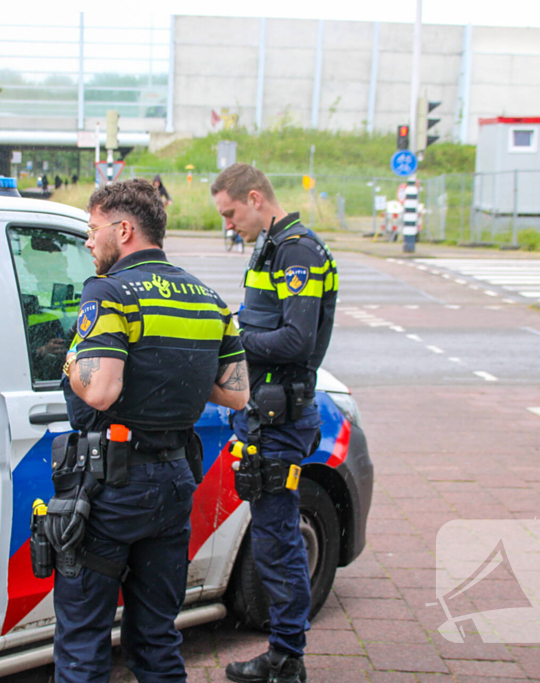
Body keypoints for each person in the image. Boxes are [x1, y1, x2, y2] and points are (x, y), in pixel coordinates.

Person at [52, 178, 250, 683]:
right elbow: (235, 392)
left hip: (110, 490)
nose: (89, 241)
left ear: (124, 229)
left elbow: (98, 393)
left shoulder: (109, 291)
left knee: (83, 639)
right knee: (157, 639)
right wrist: (169, 373)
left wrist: (71, 358)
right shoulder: (207, 299)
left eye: (94, 229)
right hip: (174, 484)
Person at [210, 163, 338, 683]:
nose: (228, 224)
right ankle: (284, 653)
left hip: (282, 421)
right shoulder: (270, 245)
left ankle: (287, 659)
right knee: (271, 539)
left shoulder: (297, 251)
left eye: (231, 213)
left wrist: (232, 337)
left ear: (256, 198)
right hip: (264, 418)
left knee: (279, 543)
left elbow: (296, 341)